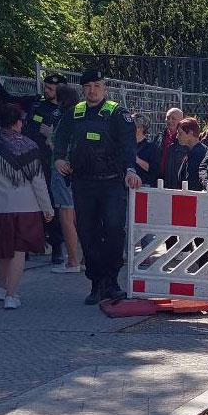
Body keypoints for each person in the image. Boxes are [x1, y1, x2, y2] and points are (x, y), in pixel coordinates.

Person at [53, 69, 140, 305]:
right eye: (88, 86)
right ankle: (96, 283)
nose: (93, 90)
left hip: (112, 182)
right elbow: (59, 137)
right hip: (84, 183)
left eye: (97, 85)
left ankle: (111, 282)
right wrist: (59, 158)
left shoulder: (116, 113)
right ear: (83, 89)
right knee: (88, 234)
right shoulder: (75, 113)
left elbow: (128, 146)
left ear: (104, 87)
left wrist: (131, 169)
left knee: (113, 232)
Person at [0, 53, 66, 263]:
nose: (46, 91)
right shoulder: (36, 102)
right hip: (24, 158)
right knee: (25, 201)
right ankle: (24, 248)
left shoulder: (66, 111)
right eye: (46, 87)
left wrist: (53, 135)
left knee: (50, 201)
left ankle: (56, 247)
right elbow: (7, 98)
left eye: (51, 89)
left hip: (48, 161)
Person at [0, 103, 54, 308]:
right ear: (19, 122)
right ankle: (11, 295)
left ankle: (1, 288)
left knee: (1, 249)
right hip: (25, 206)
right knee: (18, 250)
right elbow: (38, 181)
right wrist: (47, 208)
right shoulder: (29, 146)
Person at [49, 83, 82, 274]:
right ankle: (85, 258)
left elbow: (54, 143)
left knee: (66, 218)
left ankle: (72, 261)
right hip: (79, 172)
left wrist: (48, 136)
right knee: (80, 218)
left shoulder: (63, 118)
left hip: (63, 171)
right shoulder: (82, 116)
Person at [176, 117, 207, 191]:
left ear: (190, 133)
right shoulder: (192, 151)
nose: (177, 136)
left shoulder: (198, 153)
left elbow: (193, 182)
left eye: (180, 133)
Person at [158, 107, 186, 189]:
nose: (170, 121)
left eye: (173, 119)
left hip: (177, 186)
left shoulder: (185, 141)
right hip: (158, 183)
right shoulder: (159, 138)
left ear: (181, 121)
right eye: (168, 118)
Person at [133, 113, 159, 186]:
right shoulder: (127, 145)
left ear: (140, 128)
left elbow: (154, 170)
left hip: (144, 187)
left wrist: (137, 160)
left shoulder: (151, 147)